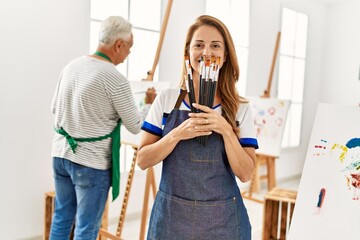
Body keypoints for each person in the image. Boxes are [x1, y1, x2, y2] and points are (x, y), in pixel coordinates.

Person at [136, 15, 259, 240]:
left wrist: (226, 130)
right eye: (199, 45)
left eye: (215, 46)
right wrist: (176, 135)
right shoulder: (167, 99)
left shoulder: (239, 109)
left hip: (224, 222)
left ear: (225, 56)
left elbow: (246, 173)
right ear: (188, 53)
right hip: (172, 219)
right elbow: (143, 160)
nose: (206, 52)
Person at [50, 16, 156, 240]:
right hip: (90, 164)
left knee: (62, 218)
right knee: (86, 228)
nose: (128, 54)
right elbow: (136, 126)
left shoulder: (71, 66)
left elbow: (54, 110)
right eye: (129, 48)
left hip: (60, 155)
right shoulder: (114, 78)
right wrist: (148, 104)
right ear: (119, 44)